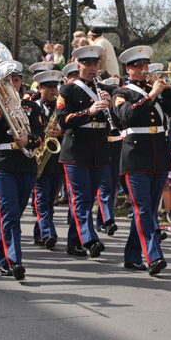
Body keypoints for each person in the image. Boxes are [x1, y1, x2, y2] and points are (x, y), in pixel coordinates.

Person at [112, 45, 171, 274]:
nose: (143, 69)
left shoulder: (154, 91)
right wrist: (153, 94)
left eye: (145, 65)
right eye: (138, 66)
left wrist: (165, 91)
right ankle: (153, 255)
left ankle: (132, 255)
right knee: (143, 208)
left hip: (158, 155)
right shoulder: (122, 92)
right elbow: (128, 115)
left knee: (147, 209)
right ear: (129, 69)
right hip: (135, 157)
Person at [0, 61, 44, 280]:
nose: (12, 85)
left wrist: (29, 139)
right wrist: (0, 116)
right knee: (9, 212)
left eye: (15, 80)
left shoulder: (31, 107)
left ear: (21, 82)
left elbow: (41, 135)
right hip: (1, 164)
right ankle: (14, 261)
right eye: (7, 81)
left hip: (26, 164)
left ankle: (0, 260)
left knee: (13, 216)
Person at [56, 45, 112, 258]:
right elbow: (63, 120)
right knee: (80, 198)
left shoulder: (106, 88)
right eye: (87, 64)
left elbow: (117, 124)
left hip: (98, 149)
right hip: (76, 151)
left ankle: (74, 242)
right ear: (78, 65)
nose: (92, 67)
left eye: (95, 63)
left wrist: (110, 107)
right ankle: (89, 238)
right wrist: (88, 112)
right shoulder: (68, 90)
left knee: (87, 199)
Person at [31, 69, 64, 248]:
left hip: (56, 158)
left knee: (50, 198)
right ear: (40, 88)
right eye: (49, 87)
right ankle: (48, 231)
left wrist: (62, 132)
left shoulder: (60, 107)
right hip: (39, 157)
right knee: (42, 197)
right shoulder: (32, 106)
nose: (54, 91)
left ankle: (40, 233)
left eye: (55, 87)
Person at [94, 77, 122, 237]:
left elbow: (121, 124)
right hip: (103, 148)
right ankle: (109, 220)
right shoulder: (97, 106)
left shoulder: (115, 107)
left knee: (112, 188)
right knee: (105, 188)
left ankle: (100, 222)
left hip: (116, 149)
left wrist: (112, 108)